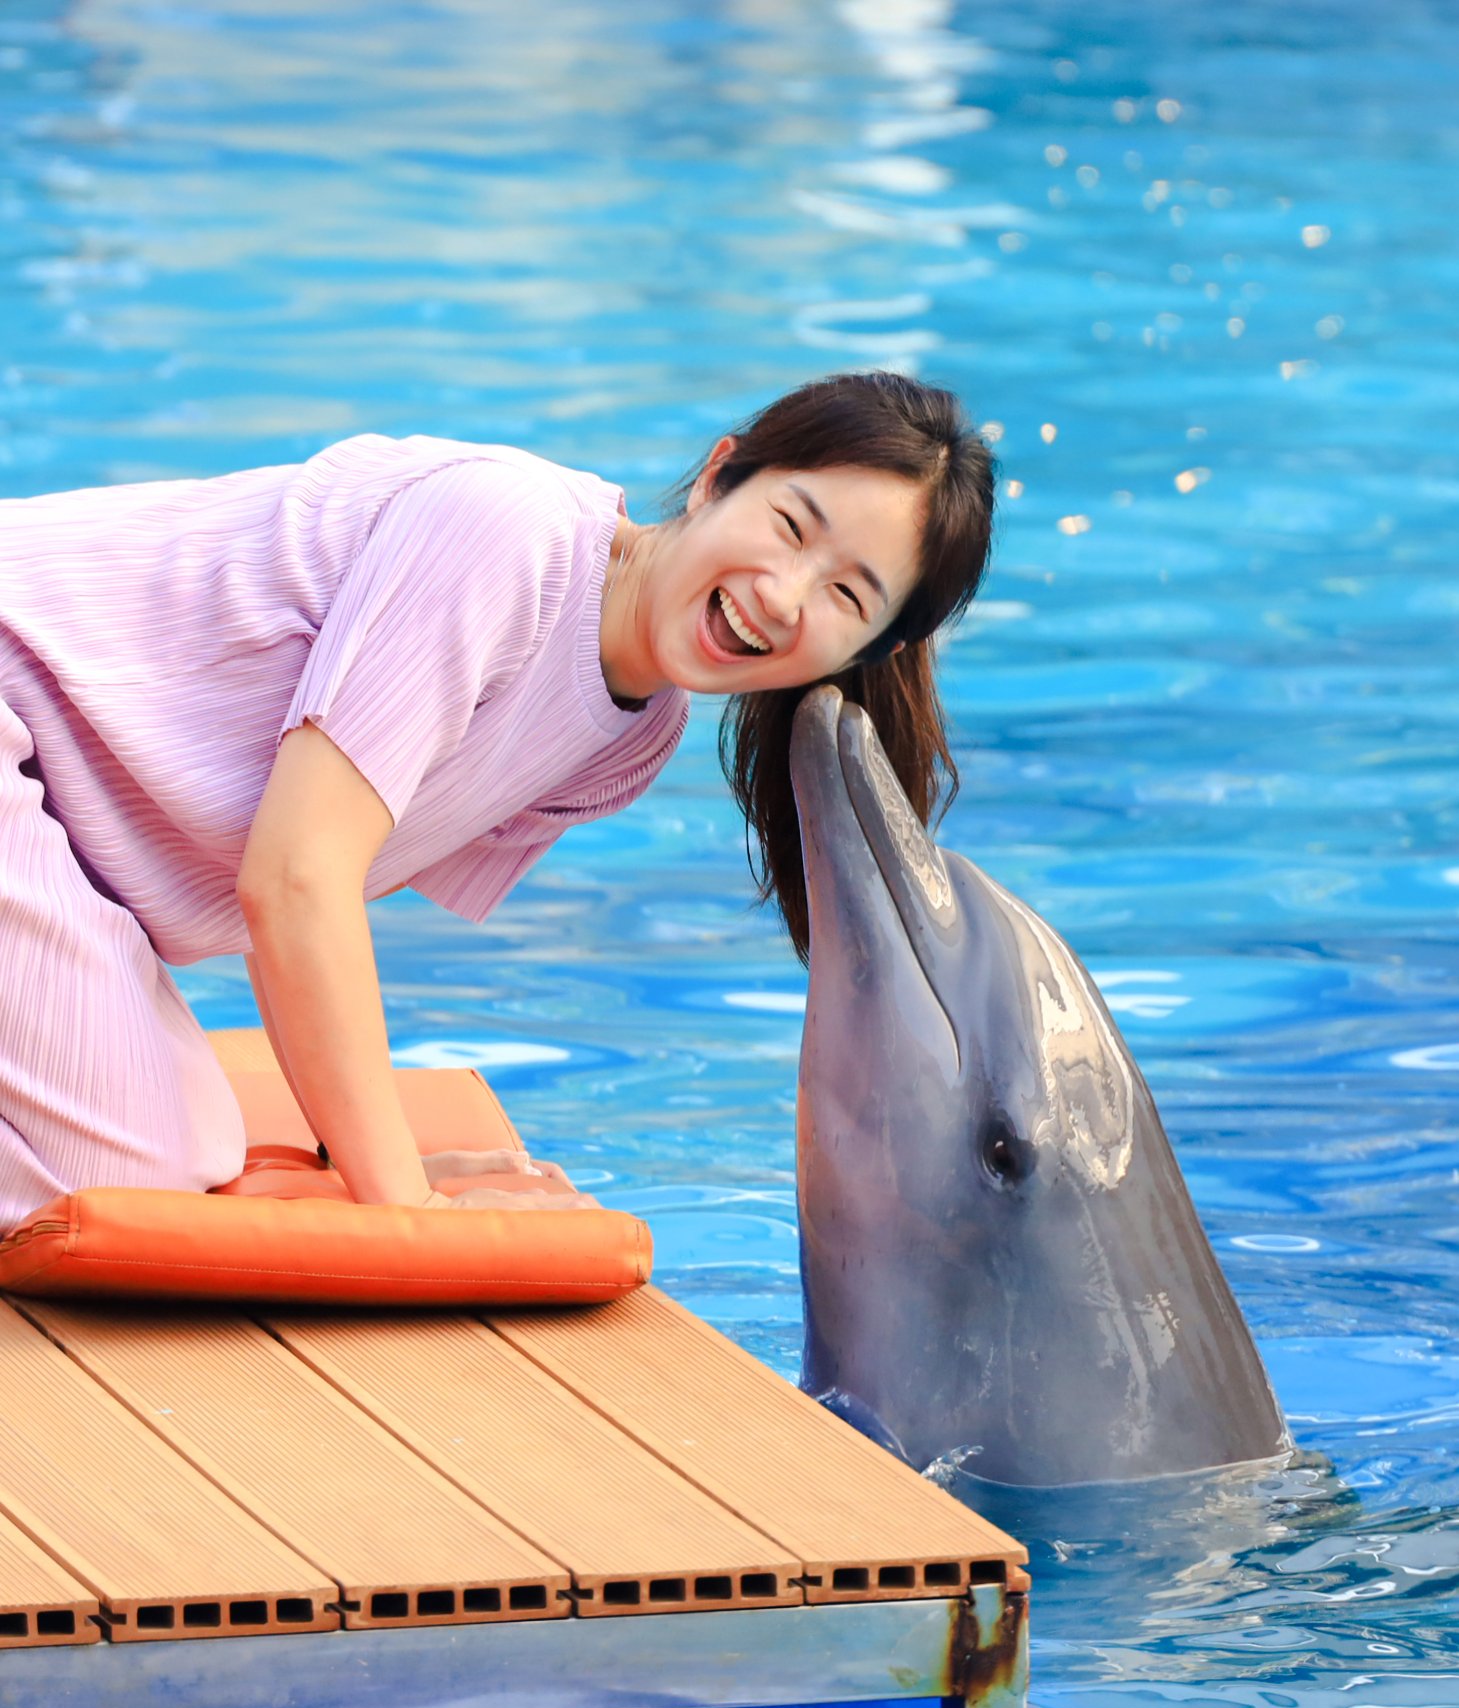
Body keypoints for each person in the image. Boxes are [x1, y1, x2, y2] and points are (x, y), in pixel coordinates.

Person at [0, 372, 995, 1233]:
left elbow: (304, 889)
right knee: (108, 1182)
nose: (784, 595)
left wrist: (370, 1161)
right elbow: (297, 877)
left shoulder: (631, 739)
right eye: (789, 526)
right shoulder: (506, 536)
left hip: (47, 830)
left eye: (847, 597)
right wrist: (402, 1206)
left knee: (196, 1147)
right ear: (717, 476)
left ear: (869, 652)